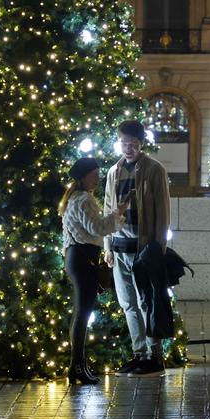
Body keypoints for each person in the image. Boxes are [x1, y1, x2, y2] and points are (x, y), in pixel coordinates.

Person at [103, 120, 170, 378]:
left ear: (141, 144)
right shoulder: (114, 172)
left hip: (143, 249)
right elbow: (109, 208)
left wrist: (158, 246)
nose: (128, 148)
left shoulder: (154, 169)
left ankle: (155, 356)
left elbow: (162, 211)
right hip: (119, 248)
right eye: (124, 143)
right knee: (128, 303)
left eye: (133, 144)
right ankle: (139, 354)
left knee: (147, 302)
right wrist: (107, 245)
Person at [59, 156, 130, 385]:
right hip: (82, 260)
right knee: (82, 314)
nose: (98, 178)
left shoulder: (75, 198)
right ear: (84, 176)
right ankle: (77, 367)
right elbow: (96, 228)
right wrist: (118, 213)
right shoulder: (82, 200)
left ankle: (78, 365)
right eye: (94, 174)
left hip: (75, 258)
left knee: (81, 313)